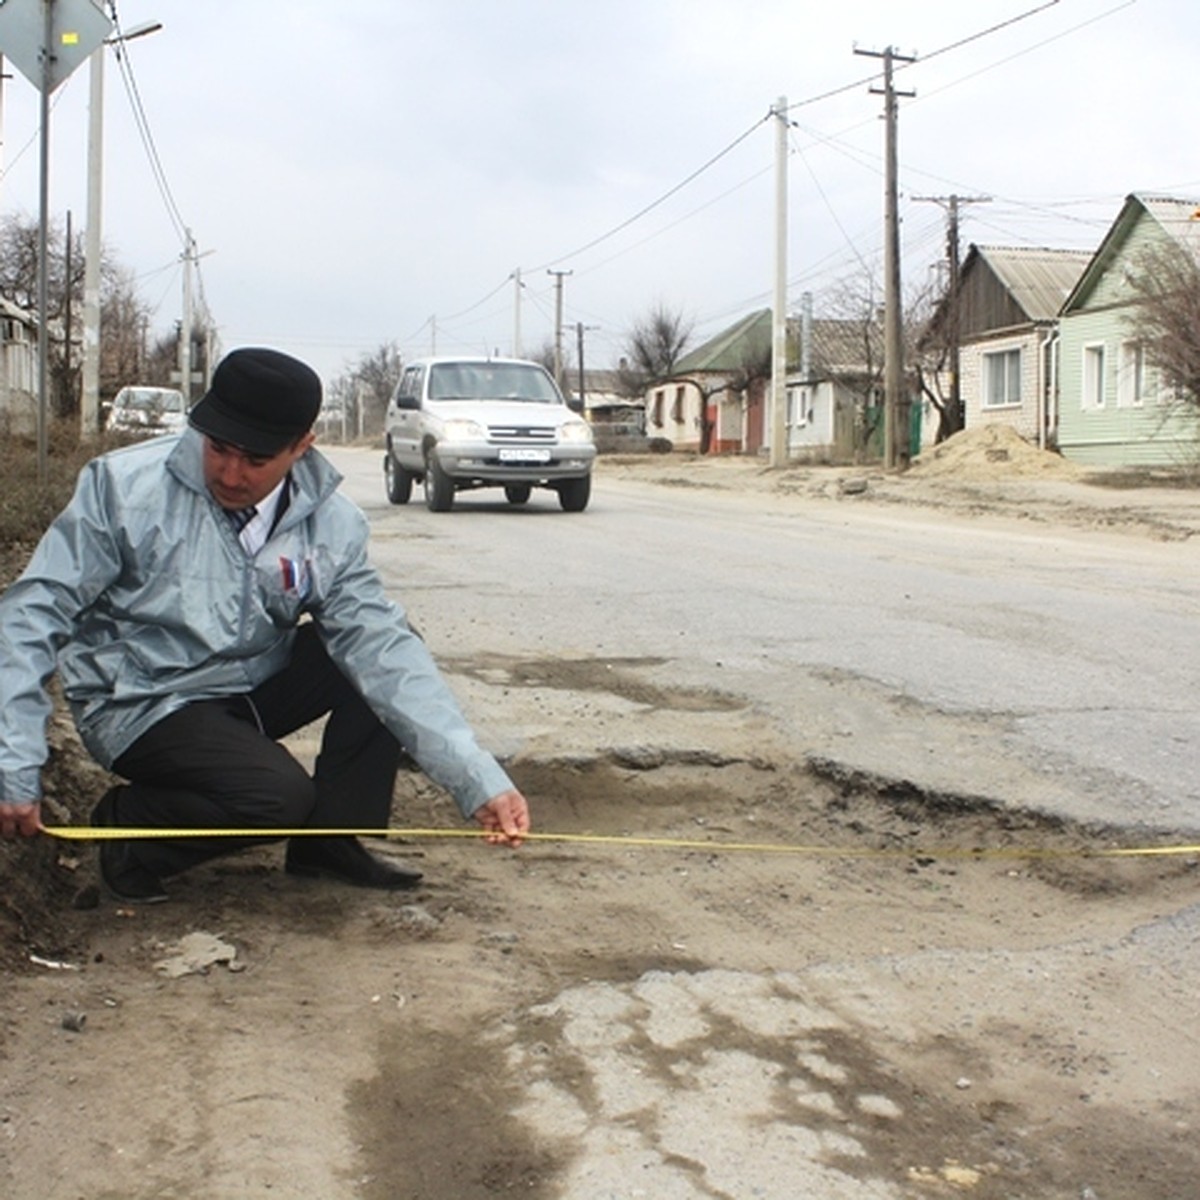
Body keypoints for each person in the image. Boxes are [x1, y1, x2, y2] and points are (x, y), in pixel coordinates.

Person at [0, 347, 530, 902]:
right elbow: (33, 611)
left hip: (247, 687)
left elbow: (384, 651)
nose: (230, 473)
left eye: (255, 459)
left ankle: (326, 840)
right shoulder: (123, 489)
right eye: (218, 448)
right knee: (277, 797)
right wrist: (15, 755)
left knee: (381, 649)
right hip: (142, 699)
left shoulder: (331, 525)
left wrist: (477, 778)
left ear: (302, 446)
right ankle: (127, 834)